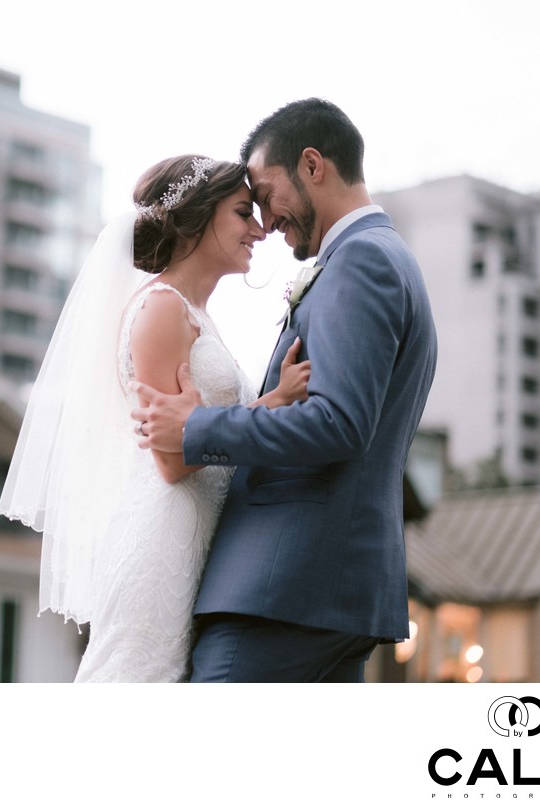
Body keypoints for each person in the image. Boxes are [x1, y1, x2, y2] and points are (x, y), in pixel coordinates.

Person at [132, 98, 438, 682]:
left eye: (267, 194)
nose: (267, 222)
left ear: (313, 165)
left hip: (286, 587)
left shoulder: (361, 260)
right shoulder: (380, 256)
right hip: (318, 589)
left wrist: (195, 427)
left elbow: (338, 423)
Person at [0, 154, 310, 682]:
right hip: (161, 545)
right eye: (243, 214)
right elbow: (170, 459)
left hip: (196, 543)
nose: (259, 231)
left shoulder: (197, 314)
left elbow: (196, 433)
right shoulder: (162, 308)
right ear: (198, 217)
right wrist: (272, 403)